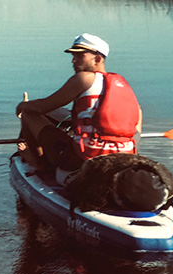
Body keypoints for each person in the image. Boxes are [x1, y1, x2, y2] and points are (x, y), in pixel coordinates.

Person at [15, 33, 141, 175]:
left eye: (80, 56)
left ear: (97, 59)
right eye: (73, 56)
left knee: (29, 114)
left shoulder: (84, 78)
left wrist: (22, 106)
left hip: (83, 158)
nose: (73, 61)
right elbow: (137, 127)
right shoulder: (122, 85)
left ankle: (40, 163)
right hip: (124, 156)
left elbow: (42, 106)